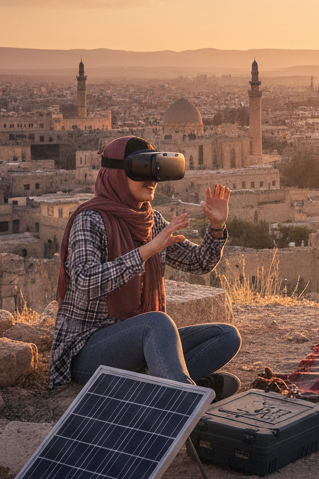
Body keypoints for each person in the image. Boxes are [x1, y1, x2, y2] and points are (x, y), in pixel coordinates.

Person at [50, 135, 241, 400]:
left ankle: (154, 390)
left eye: (154, 171)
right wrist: (147, 250)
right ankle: (182, 401)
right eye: (141, 171)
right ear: (117, 174)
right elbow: (85, 282)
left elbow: (199, 262)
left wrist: (217, 226)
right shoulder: (90, 219)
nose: (151, 180)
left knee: (226, 336)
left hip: (139, 347)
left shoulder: (150, 220)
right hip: (88, 351)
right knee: (157, 323)